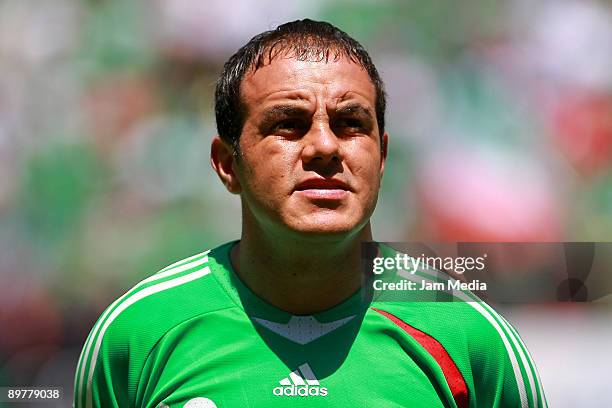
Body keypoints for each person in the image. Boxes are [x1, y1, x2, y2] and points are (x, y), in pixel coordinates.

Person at [73, 19, 546, 408]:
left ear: (381, 157)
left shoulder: (472, 339)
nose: (324, 146)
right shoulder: (136, 336)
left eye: (350, 124)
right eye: (288, 124)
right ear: (226, 163)